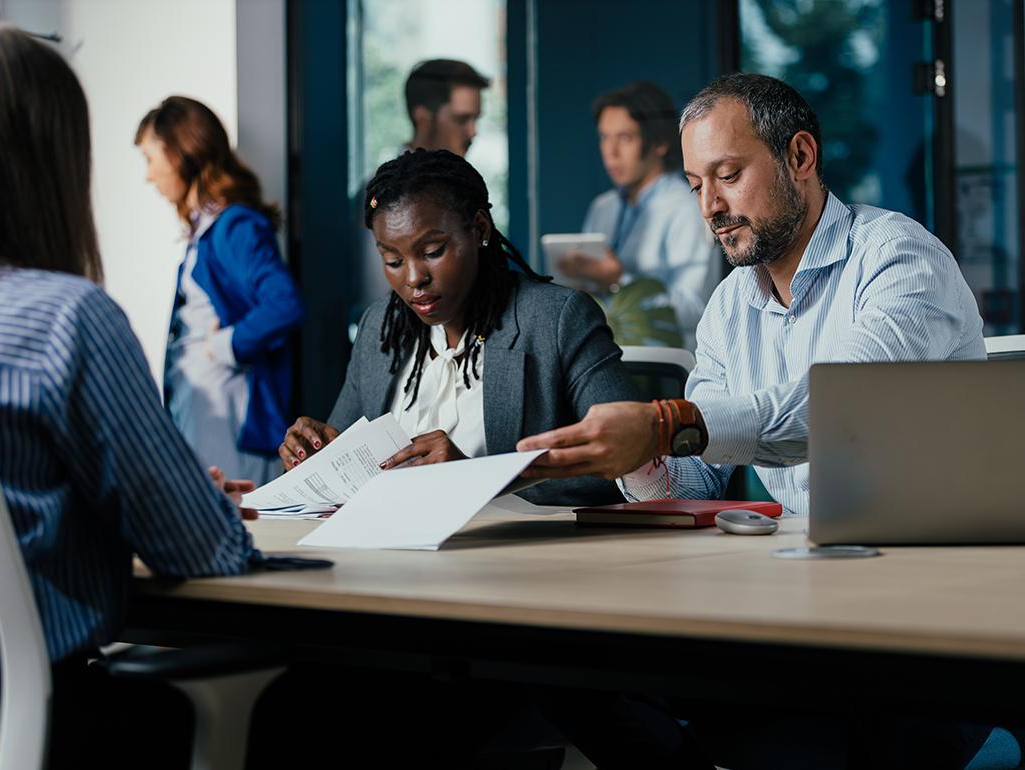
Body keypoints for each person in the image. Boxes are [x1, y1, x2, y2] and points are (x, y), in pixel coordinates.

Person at [518, 73, 990, 768]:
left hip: (922, 625)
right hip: (801, 608)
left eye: (728, 175)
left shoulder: (899, 258)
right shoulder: (730, 307)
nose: (710, 206)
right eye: (694, 184)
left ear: (800, 156)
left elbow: (834, 412)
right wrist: (639, 462)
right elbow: (695, 485)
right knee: (564, 674)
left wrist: (662, 420)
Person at [0, 24, 264, 767]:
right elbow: (206, 550)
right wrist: (190, 502)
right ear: (53, 163)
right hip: (42, 730)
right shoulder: (64, 316)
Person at [281, 148, 639, 506]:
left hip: (508, 556)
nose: (413, 278)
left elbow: (630, 463)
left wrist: (472, 478)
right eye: (392, 259)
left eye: (433, 251)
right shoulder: (380, 327)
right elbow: (341, 454)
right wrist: (315, 459)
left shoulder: (555, 319)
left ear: (479, 229)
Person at [136, 96, 305, 485]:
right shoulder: (208, 229)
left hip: (232, 421)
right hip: (205, 416)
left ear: (180, 154)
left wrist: (225, 344)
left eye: (150, 158)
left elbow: (285, 304)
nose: (148, 175)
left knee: (238, 526)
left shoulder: (235, 226)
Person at [558, 81, 720, 348]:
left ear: (659, 143)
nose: (611, 153)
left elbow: (697, 308)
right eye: (604, 137)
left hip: (663, 364)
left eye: (625, 138)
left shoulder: (687, 206)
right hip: (604, 352)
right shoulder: (603, 207)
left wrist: (618, 281)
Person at [404, 58, 490, 156]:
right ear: (422, 118)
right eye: (461, 120)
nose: (473, 132)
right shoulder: (392, 171)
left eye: (476, 119)